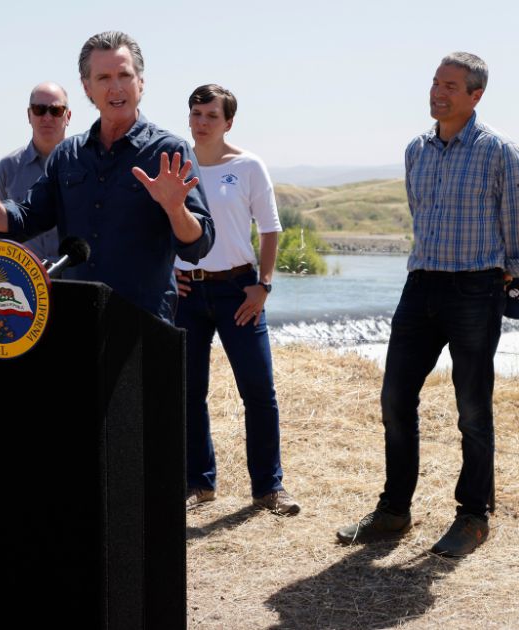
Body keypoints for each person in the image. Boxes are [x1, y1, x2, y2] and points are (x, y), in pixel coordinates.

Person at [336, 52, 519, 557]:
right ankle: (393, 512)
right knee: (395, 399)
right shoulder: (416, 151)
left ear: (475, 95)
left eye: (450, 85)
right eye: (435, 82)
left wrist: (509, 271)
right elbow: (418, 213)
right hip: (420, 285)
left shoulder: (500, 151)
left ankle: (472, 517)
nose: (437, 92)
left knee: (472, 409)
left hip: (475, 289)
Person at [0, 31, 214, 322]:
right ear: (87, 88)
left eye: (124, 75)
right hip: (77, 321)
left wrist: (176, 210)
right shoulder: (68, 154)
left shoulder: (169, 151)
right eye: (103, 78)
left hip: (143, 326)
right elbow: (21, 222)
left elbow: (199, 244)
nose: (116, 88)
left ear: (141, 82)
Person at [175, 85, 298, 516]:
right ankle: (198, 483)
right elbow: (157, 224)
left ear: (228, 122)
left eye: (211, 115)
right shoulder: (174, 163)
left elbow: (270, 229)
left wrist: (262, 285)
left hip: (238, 290)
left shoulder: (247, 166)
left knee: (258, 391)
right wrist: (170, 271)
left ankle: (269, 487)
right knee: (189, 393)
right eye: (196, 113)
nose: (202, 122)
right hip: (187, 291)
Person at [0, 82, 72, 262]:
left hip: (74, 281)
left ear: (68, 116)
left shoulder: (84, 165)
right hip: (25, 283)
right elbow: (0, 234)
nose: (47, 117)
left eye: (56, 110)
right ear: (29, 115)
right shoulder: (7, 168)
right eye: (39, 109)